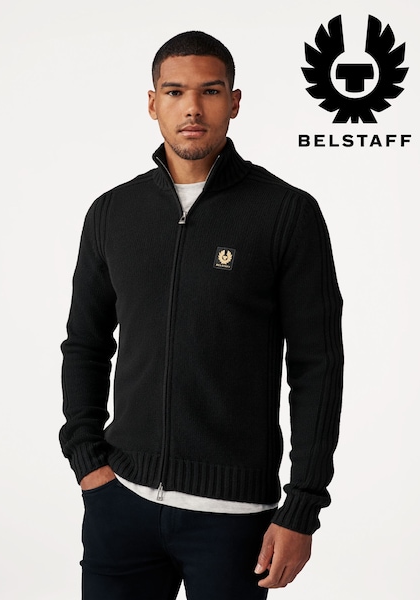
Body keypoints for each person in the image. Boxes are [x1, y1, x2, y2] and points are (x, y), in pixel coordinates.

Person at [60, 30, 344, 600]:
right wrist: (87, 460)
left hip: (236, 521)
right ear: (153, 103)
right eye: (175, 92)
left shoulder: (286, 213)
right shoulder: (112, 212)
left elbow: (317, 365)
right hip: (121, 505)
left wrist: (302, 507)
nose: (192, 107)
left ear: (234, 102)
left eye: (210, 91)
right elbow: (85, 343)